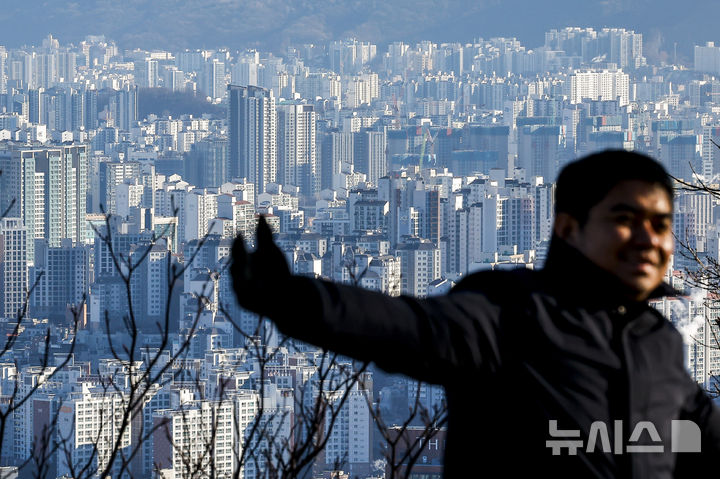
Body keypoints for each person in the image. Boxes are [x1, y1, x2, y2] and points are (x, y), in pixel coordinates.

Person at [232, 150, 720, 477]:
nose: (648, 239)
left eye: (660, 224)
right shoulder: (512, 315)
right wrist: (291, 299)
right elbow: (409, 328)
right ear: (569, 228)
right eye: (625, 219)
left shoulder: (657, 342)